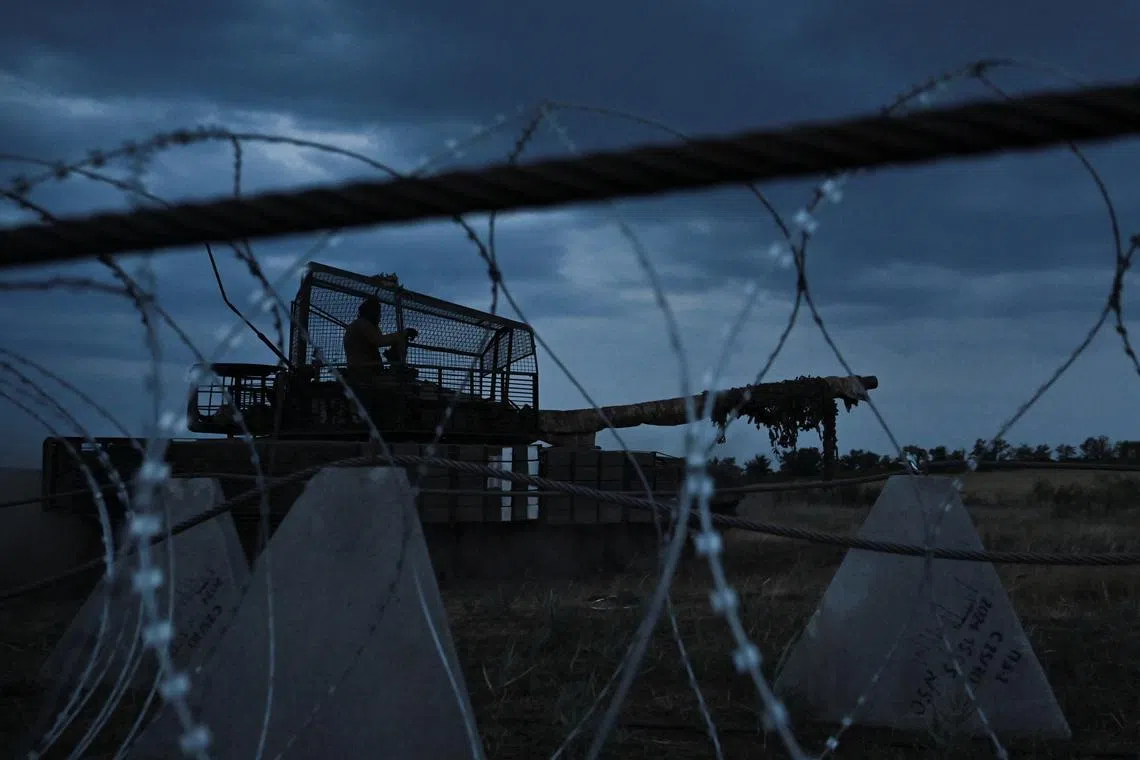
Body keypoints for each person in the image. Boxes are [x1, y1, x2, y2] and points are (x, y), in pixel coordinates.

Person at [342, 297, 418, 385]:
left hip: (367, 369)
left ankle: (396, 363)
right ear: (371, 312)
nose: (379, 315)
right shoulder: (362, 323)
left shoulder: (365, 324)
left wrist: (401, 336)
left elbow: (379, 339)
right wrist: (403, 334)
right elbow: (379, 341)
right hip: (364, 371)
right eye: (377, 312)